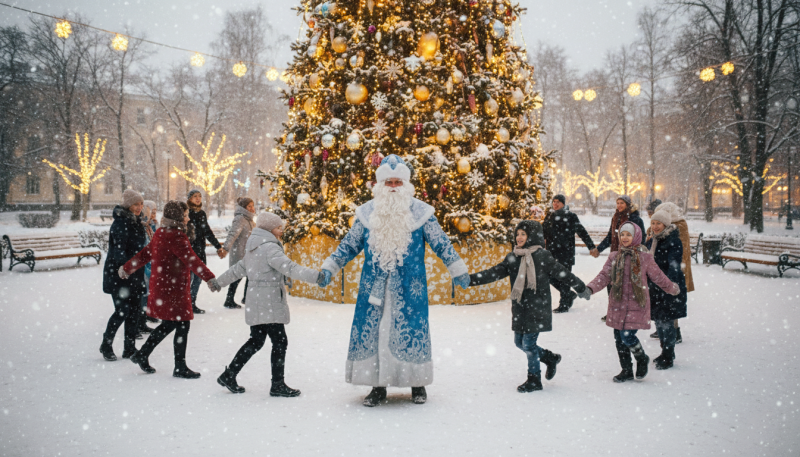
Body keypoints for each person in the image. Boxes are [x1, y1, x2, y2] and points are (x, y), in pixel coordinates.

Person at [318, 155, 470, 407]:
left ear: (406, 184)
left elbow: (441, 242)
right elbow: (349, 245)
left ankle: (417, 384)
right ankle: (377, 387)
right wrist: (330, 267)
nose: (393, 187)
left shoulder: (422, 213)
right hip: (373, 287)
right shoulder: (367, 213)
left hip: (410, 288)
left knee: (411, 331)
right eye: (388, 182)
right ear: (379, 185)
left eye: (397, 182)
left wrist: (457, 268)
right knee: (375, 333)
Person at [212, 212, 325, 397]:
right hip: (269, 302)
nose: (281, 230)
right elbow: (290, 268)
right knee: (280, 341)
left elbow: (238, 269)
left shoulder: (253, 246)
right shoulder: (270, 248)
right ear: (269, 229)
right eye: (278, 227)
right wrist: (316, 276)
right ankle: (277, 385)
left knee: (256, 340)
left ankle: (229, 374)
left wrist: (218, 282)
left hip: (256, 300)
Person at [468, 220, 589, 392]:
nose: (519, 237)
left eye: (523, 234)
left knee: (529, 345)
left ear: (532, 236)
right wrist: (470, 280)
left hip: (538, 306)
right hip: (520, 307)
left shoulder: (542, 256)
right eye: (517, 234)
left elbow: (563, 273)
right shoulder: (512, 257)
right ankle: (549, 358)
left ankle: (534, 379)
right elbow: (494, 273)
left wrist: (581, 287)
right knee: (519, 342)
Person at [121, 200, 219, 378]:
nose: (188, 218)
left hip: (163, 286)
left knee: (170, 324)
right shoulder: (177, 236)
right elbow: (192, 259)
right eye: (185, 215)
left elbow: (145, 254)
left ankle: (143, 354)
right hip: (174, 289)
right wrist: (209, 278)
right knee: (181, 324)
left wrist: (127, 268)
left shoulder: (161, 233)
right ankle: (179, 366)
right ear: (178, 217)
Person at [584, 222, 679, 382]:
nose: (625, 237)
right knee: (619, 339)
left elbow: (658, 277)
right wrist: (590, 288)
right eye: (622, 234)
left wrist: (672, 288)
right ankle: (626, 370)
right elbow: (604, 276)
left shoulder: (645, 258)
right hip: (617, 304)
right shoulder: (614, 256)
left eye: (629, 234)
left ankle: (641, 358)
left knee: (627, 336)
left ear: (636, 236)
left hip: (637, 304)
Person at [99, 189, 148, 361]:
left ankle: (129, 347)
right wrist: (126, 267)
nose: (139, 207)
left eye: (141, 204)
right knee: (122, 311)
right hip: (119, 274)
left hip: (135, 272)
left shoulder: (136, 222)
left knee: (134, 311)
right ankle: (106, 344)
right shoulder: (121, 223)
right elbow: (118, 251)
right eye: (135, 204)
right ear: (128, 205)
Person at [644, 210, 687, 370]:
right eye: (653, 223)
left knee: (666, 322)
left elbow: (674, 265)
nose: (655, 226)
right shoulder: (652, 240)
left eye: (658, 224)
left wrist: (669, 285)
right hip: (654, 287)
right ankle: (664, 352)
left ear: (666, 225)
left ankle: (669, 355)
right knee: (659, 320)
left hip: (668, 287)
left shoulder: (673, 241)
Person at [542, 194, 597, 313]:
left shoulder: (571, 216)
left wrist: (591, 246)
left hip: (566, 253)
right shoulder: (550, 216)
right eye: (554, 201)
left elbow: (582, 232)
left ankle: (564, 304)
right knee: (548, 276)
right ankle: (569, 295)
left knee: (564, 278)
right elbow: (542, 233)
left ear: (563, 203)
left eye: (558, 202)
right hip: (551, 253)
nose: (555, 204)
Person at [594, 195, 646, 322]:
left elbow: (641, 238)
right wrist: (598, 249)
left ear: (628, 204)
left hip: (629, 256)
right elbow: (610, 237)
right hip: (616, 256)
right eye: (617, 203)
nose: (619, 205)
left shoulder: (635, 219)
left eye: (622, 203)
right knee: (611, 283)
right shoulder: (616, 218)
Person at [652, 202, 694, 344]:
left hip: (674, 269)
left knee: (671, 303)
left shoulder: (677, 227)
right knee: (663, 304)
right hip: (666, 270)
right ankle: (663, 329)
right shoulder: (665, 227)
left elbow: (678, 250)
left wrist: (672, 276)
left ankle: (674, 333)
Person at [187, 189, 225, 314]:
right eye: (195, 196)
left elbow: (207, 231)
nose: (198, 198)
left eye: (199, 196)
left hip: (200, 250)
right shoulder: (187, 214)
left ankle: (191, 303)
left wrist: (218, 246)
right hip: (189, 251)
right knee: (188, 278)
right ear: (190, 199)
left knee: (198, 278)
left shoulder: (202, 213)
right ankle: (185, 304)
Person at [220, 197, 256, 309]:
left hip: (249, 254)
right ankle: (229, 300)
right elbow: (233, 234)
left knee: (251, 276)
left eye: (253, 206)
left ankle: (246, 298)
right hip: (240, 253)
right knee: (237, 277)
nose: (252, 208)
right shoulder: (240, 219)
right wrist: (226, 248)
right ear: (244, 208)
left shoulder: (250, 220)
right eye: (249, 206)